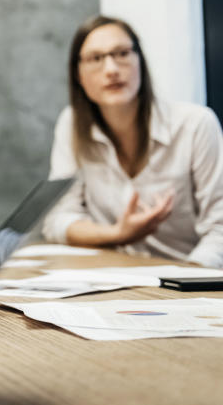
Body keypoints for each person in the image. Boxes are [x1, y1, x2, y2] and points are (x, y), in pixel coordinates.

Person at [42, 15, 223, 268]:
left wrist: (184, 280)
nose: (111, 69)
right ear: (79, 76)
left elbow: (220, 228)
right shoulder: (72, 124)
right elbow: (58, 219)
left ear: (140, 62)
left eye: (122, 54)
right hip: (111, 277)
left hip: (186, 278)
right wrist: (118, 234)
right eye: (96, 58)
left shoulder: (196, 125)